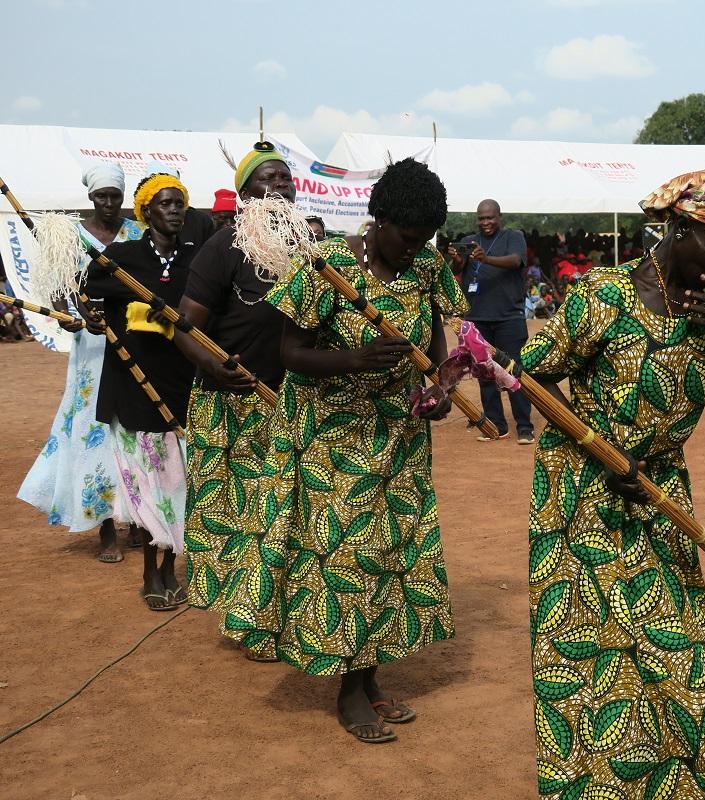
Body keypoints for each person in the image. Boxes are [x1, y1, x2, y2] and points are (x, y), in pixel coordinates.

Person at [521, 168, 705, 797]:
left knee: (681, 644)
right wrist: (602, 453)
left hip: (662, 496)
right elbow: (532, 375)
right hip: (579, 494)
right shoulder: (604, 295)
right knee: (590, 653)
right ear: (681, 229)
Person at [234, 158, 466, 742]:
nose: (414, 249)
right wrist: (354, 360)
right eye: (407, 238)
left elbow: (435, 338)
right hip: (332, 442)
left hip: (400, 438)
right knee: (348, 562)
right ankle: (348, 692)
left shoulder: (427, 265)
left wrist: (439, 386)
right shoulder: (326, 266)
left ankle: (369, 679)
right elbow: (290, 354)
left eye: (424, 239)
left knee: (389, 557)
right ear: (379, 219)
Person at [175, 142, 294, 638]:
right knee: (231, 517)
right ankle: (243, 620)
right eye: (268, 178)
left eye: (285, 177)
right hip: (227, 404)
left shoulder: (310, 248)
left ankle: (268, 619)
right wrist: (213, 365)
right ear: (245, 194)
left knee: (278, 517)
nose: (280, 185)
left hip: (288, 403)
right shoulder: (223, 248)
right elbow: (184, 327)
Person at [18, 163, 143, 561]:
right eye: (101, 196)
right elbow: (59, 283)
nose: (108, 203)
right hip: (91, 344)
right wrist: (66, 315)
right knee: (95, 427)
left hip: (134, 337)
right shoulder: (69, 235)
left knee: (135, 425)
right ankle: (104, 525)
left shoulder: (137, 233)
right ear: (90, 197)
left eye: (114, 196)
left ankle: (138, 518)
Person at [85, 172, 197, 609]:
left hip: (180, 384)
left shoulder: (195, 260)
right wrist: (92, 317)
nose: (175, 211)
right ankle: (151, 570)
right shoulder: (122, 257)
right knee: (147, 484)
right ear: (146, 211)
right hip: (133, 385)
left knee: (176, 482)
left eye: (179, 203)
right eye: (166, 204)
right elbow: (84, 291)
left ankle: (170, 566)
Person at [449, 199, 535, 444]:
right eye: (481, 218)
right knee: (485, 373)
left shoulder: (513, 237)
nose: (485, 222)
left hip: (509, 317)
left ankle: (524, 426)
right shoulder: (469, 241)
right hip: (477, 317)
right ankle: (496, 425)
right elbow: (455, 270)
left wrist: (485, 259)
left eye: (490, 218)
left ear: (499, 217)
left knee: (514, 371)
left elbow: (516, 261)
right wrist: (458, 260)